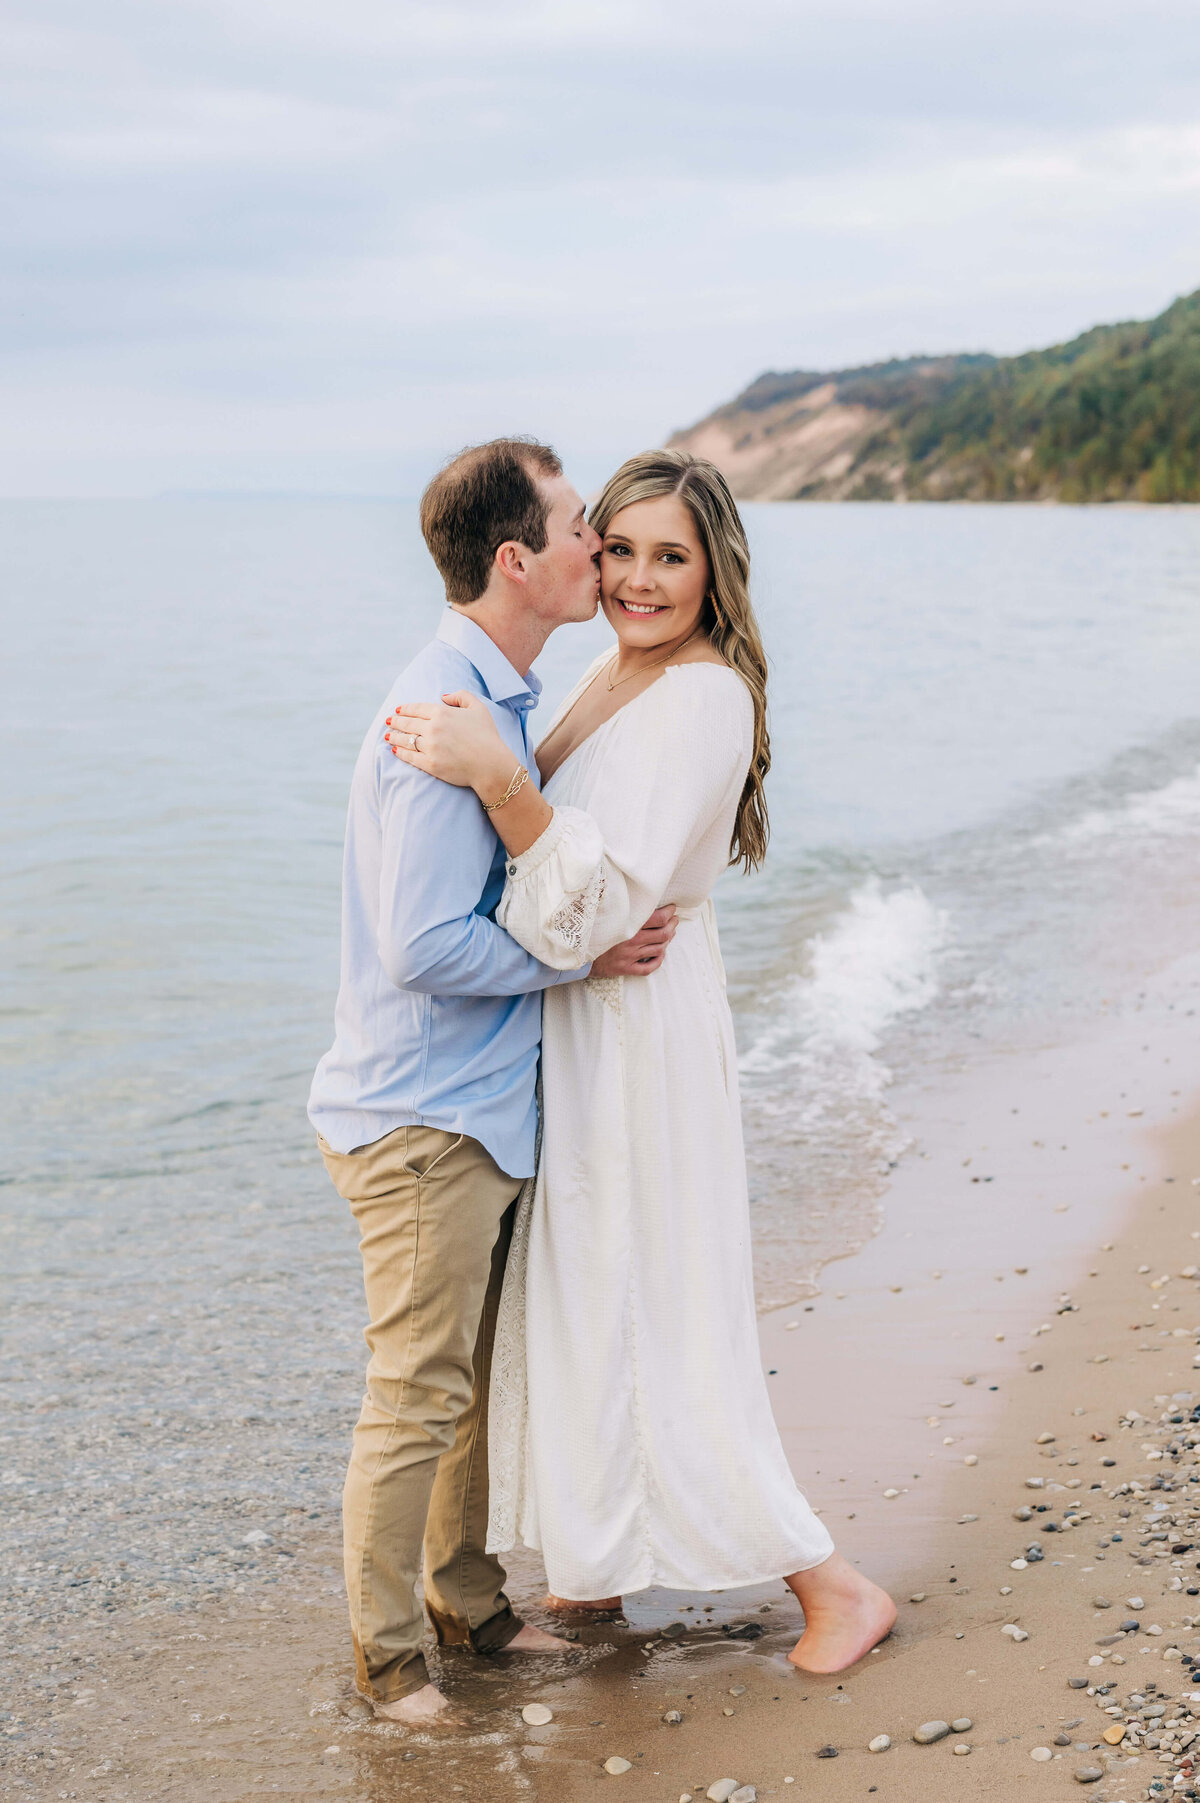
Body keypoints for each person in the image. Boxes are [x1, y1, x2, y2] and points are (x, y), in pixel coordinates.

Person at [384, 448, 897, 1674]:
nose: (639, 579)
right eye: (618, 549)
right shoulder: (614, 669)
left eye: (672, 556)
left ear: (717, 569)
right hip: (587, 1027)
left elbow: (600, 908)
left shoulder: (705, 693)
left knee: (655, 1301)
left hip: (638, 1025)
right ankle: (600, 1568)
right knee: (581, 1296)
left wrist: (502, 779)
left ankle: (833, 1584)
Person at [308, 439, 677, 1724]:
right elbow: (421, 945)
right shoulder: (441, 716)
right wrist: (576, 964)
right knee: (416, 1391)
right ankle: (389, 1658)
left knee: (462, 1380)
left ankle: (468, 1608)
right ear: (517, 558)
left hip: (471, 1111)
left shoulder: (502, 702)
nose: (601, 549)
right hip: (417, 1118)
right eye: (582, 527)